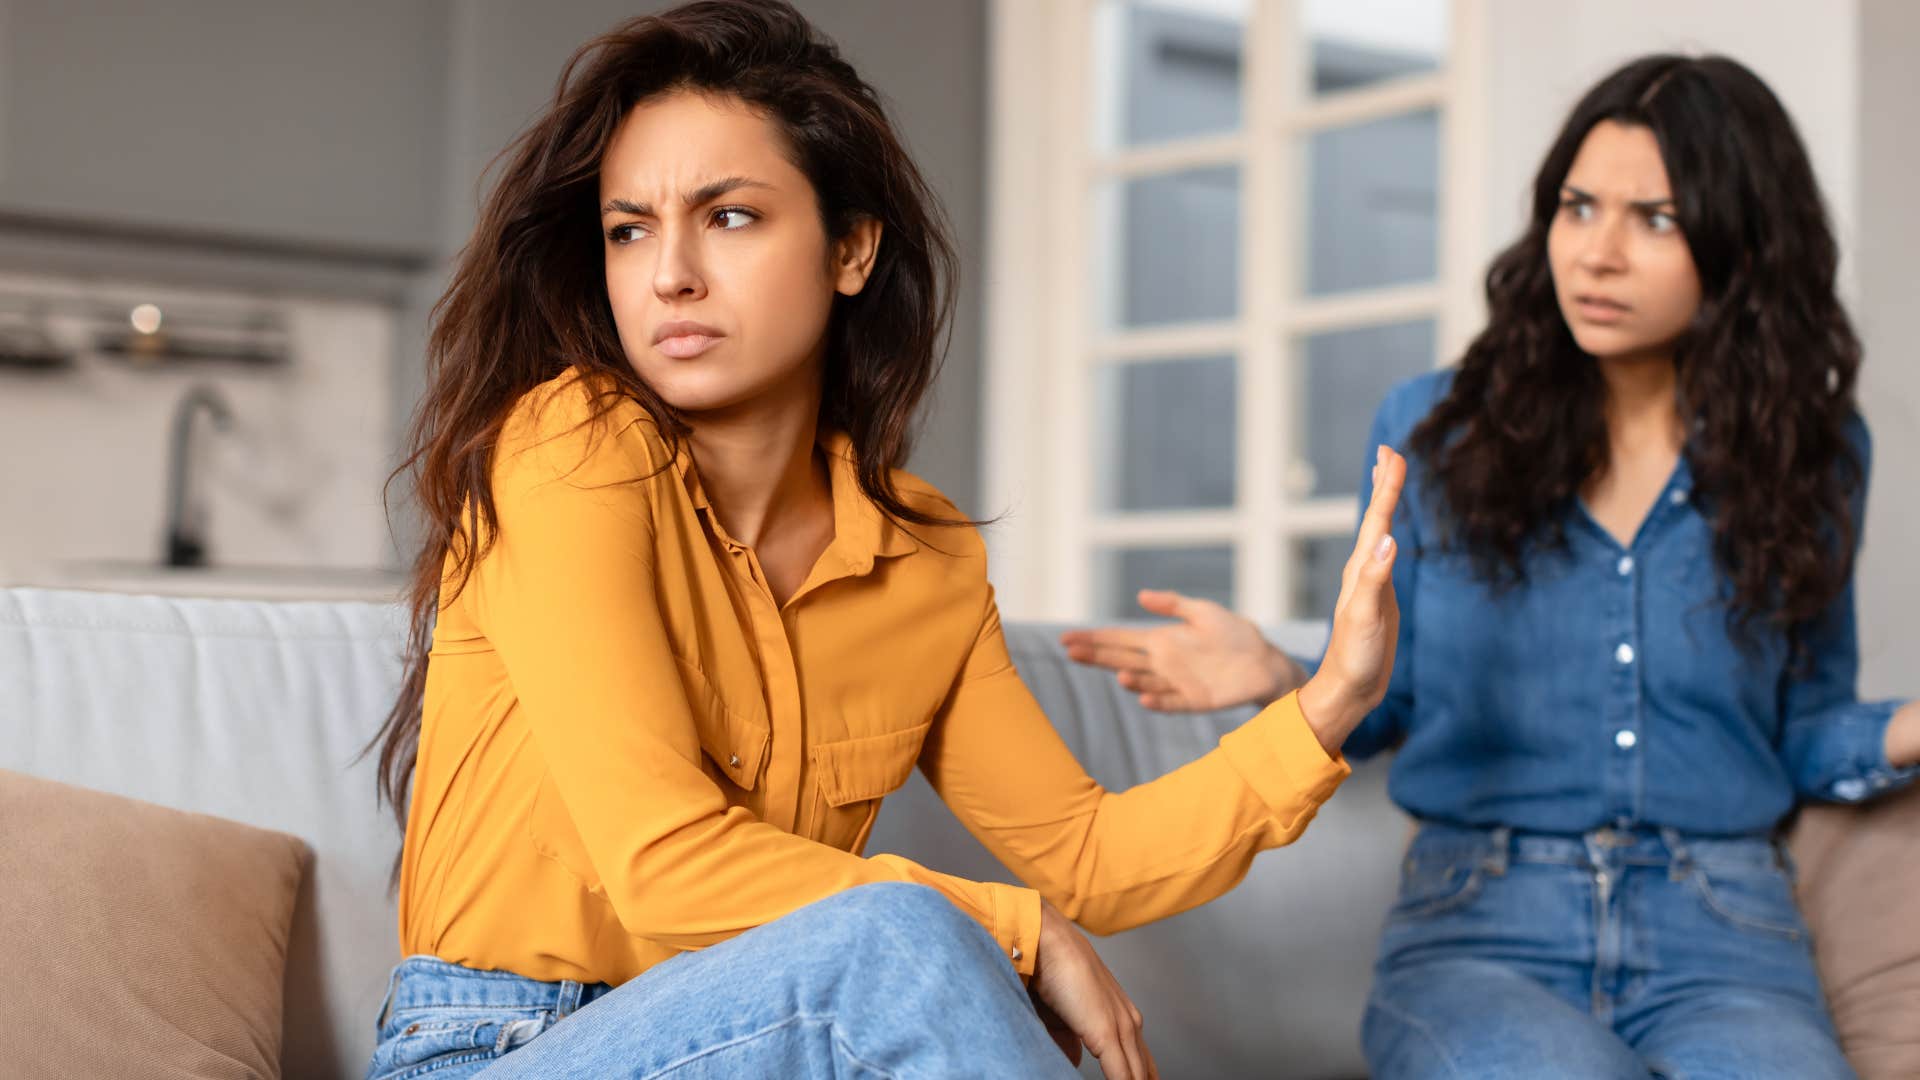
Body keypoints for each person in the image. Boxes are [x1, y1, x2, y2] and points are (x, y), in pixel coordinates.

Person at [361, 2, 1406, 1077]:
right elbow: (663, 862)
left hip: (767, 1043)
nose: (669, 273)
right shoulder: (569, 446)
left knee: (895, 942)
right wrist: (1015, 929)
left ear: (851, 249)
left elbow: (1088, 856)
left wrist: (1335, 698)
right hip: (497, 1046)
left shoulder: (924, 557)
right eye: (629, 229)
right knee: (893, 937)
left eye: (729, 217)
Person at [1064, 54, 1918, 1079]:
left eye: (1655, 219)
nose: (1597, 253)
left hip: (1727, 932)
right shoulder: (1439, 429)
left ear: (1743, 242)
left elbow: (1805, 729)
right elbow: (1389, 703)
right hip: (1484, 927)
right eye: (1578, 207)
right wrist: (1283, 675)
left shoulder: (1814, 453)